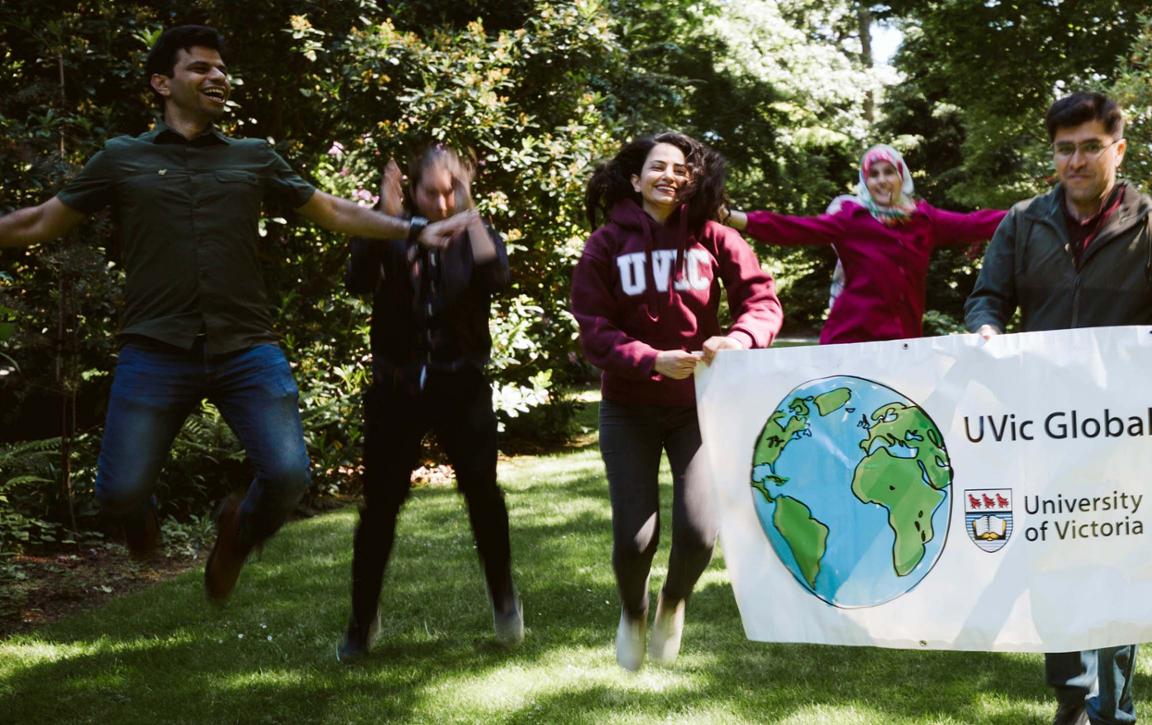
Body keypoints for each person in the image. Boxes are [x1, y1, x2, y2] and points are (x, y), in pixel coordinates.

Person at [0, 25, 475, 605]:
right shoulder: (122, 159)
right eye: (199, 68)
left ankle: (237, 536)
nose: (217, 76)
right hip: (155, 347)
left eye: (221, 69)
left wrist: (412, 229)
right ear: (161, 82)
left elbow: (327, 209)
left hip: (247, 345)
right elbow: (39, 224)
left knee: (289, 477)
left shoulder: (253, 157)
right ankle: (138, 518)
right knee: (119, 494)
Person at [965, 92, 1152, 725]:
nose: (1076, 160)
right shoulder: (1022, 223)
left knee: (1115, 567)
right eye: (1065, 148)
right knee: (1051, 564)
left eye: (1090, 147)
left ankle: (1115, 709)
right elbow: (987, 297)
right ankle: (1071, 694)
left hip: (1124, 433)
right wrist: (987, 330)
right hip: (1040, 428)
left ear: (1117, 150)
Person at [570, 132, 783, 671]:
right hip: (629, 406)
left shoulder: (713, 236)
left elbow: (761, 299)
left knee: (699, 531)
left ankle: (673, 602)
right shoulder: (605, 244)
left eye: (680, 168)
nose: (670, 174)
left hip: (699, 405)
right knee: (636, 537)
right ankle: (633, 610)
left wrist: (737, 340)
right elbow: (592, 329)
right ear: (635, 180)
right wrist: (648, 357)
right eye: (657, 167)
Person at [335, 146, 520, 661]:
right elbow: (357, 282)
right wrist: (386, 217)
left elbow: (496, 277)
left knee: (483, 496)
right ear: (411, 190)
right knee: (380, 508)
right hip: (396, 390)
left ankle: (504, 597)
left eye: (450, 189)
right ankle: (361, 621)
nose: (440, 201)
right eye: (430, 191)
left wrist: (470, 211)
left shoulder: (473, 235)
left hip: (460, 386)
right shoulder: (390, 232)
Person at [720, 144, 1005, 343]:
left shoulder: (924, 220)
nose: (882, 181)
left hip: (902, 343)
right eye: (874, 174)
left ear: (901, 176)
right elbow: (796, 229)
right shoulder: (851, 219)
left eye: (889, 172)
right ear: (865, 181)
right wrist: (735, 218)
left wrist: (1029, 211)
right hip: (849, 341)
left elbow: (974, 223)